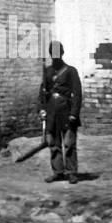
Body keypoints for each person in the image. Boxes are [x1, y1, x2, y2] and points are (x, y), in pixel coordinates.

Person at [39, 40, 83, 184]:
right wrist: (42, 109)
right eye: (53, 53)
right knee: (53, 143)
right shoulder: (47, 71)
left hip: (66, 111)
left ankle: (71, 172)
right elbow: (43, 93)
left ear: (62, 53)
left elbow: (77, 94)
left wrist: (74, 113)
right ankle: (58, 172)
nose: (55, 55)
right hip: (52, 112)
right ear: (51, 54)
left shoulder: (71, 71)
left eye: (58, 52)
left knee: (69, 143)